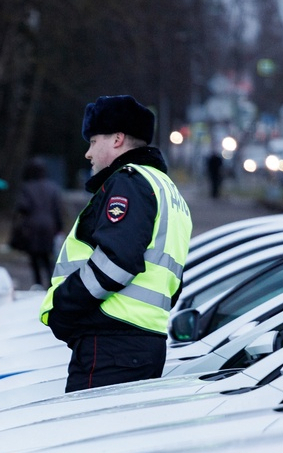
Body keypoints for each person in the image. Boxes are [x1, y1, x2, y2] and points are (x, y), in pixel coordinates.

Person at [40, 94, 192, 392]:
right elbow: (170, 283)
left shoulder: (129, 182)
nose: (88, 153)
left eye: (93, 141)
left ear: (117, 139)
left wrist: (63, 307)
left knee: (85, 434)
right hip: (142, 341)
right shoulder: (167, 189)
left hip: (111, 343)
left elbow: (117, 261)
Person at [11, 157, 64, 288]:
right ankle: (51, 285)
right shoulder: (53, 188)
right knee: (48, 258)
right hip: (49, 227)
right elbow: (57, 210)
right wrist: (59, 228)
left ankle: (38, 284)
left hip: (32, 228)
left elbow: (22, 207)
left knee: (35, 258)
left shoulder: (27, 188)